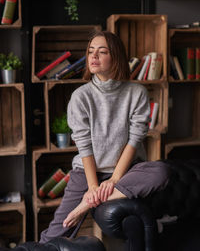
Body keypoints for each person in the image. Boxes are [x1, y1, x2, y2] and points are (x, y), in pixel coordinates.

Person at [40, 30, 169, 243]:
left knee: (161, 171)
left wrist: (114, 180)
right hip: (88, 170)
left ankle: (87, 205)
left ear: (115, 57)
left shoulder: (136, 93)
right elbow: (84, 146)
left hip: (126, 171)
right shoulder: (81, 97)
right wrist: (92, 186)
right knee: (56, 233)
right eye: (91, 52)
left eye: (102, 52)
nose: (93, 57)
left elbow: (134, 140)